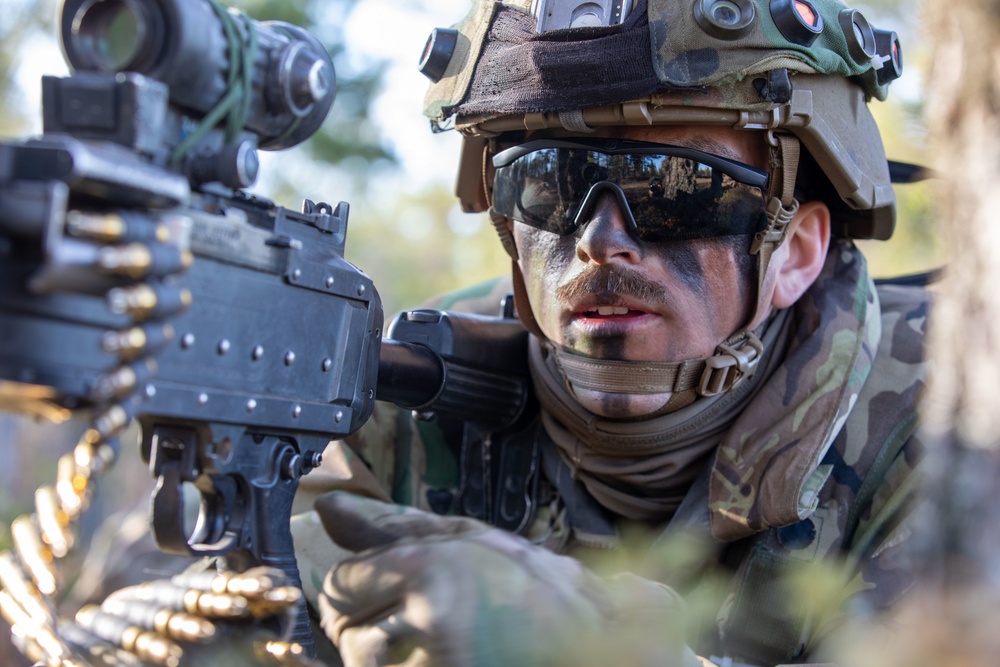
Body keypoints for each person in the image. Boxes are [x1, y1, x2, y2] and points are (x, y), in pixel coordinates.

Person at [29, 1, 924, 665]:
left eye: (670, 187)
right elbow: (115, 613)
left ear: (798, 247)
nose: (597, 240)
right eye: (543, 184)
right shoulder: (383, 382)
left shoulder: (950, 422)